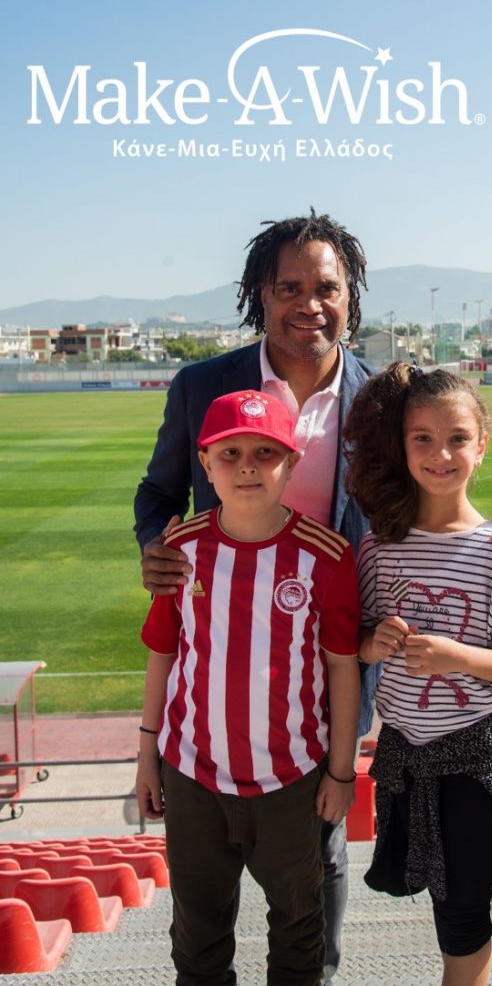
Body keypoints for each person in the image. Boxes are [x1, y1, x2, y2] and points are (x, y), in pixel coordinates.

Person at [133, 209, 492, 982]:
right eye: (289, 287)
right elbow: (158, 494)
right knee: (206, 907)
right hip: (226, 666)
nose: (309, 304)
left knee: (317, 866)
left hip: (342, 654)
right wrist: (157, 547)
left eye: (327, 287)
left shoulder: (383, 399)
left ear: (351, 295)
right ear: (260, 293)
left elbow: (434, 476)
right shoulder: (201, 386)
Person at [136, 390, 361, 986]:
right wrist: (147, 756)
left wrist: (342, 772)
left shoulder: (326, 556)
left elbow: (343, 668)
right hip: (193, 775)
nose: (247, 467)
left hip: (291, 781)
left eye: (266, 453)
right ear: (205, 464)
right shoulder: (179, 550)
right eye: (230, 453)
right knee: (197, 936)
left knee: (299, 929)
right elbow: (163, 654)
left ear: (292, 462)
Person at [343, 363, 492, 986]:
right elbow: (356, 644)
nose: (440, 454)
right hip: (408, 755)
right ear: (402, 445)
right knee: (443, 905)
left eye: (457, 438)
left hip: (476, 761)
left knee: (463, 916)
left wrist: (457, 657)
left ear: (481, 445)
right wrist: (372, 643)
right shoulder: (377, 548)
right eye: (423, 439)